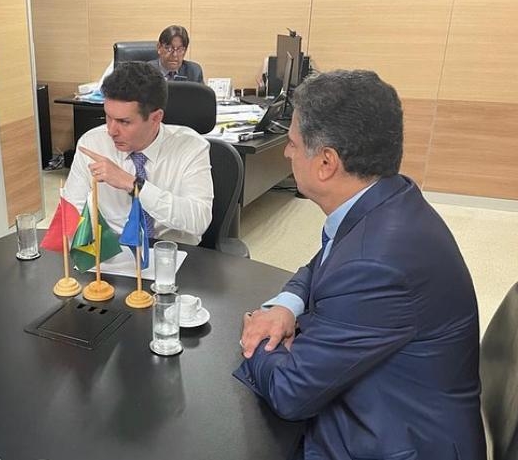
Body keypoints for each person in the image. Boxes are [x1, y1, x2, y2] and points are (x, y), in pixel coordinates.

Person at [235, 70, 485, 459]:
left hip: (397, 439)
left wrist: (258, 339)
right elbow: (325, 261)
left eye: (293, 143)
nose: (286, 153)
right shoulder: (388, 197)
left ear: (326, 163)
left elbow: (290, 393)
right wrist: (286, 304)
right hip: (399, 402)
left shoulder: (376, 261)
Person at [63, 61, 212, 245]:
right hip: (114, 252)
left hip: (171, 253)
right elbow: (70, 214)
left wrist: (133, 184)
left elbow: (199, 220)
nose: (111, 131)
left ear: (156, 118)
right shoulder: (92, 143)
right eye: (108, 117)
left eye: (124, 122)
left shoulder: (191, 147)